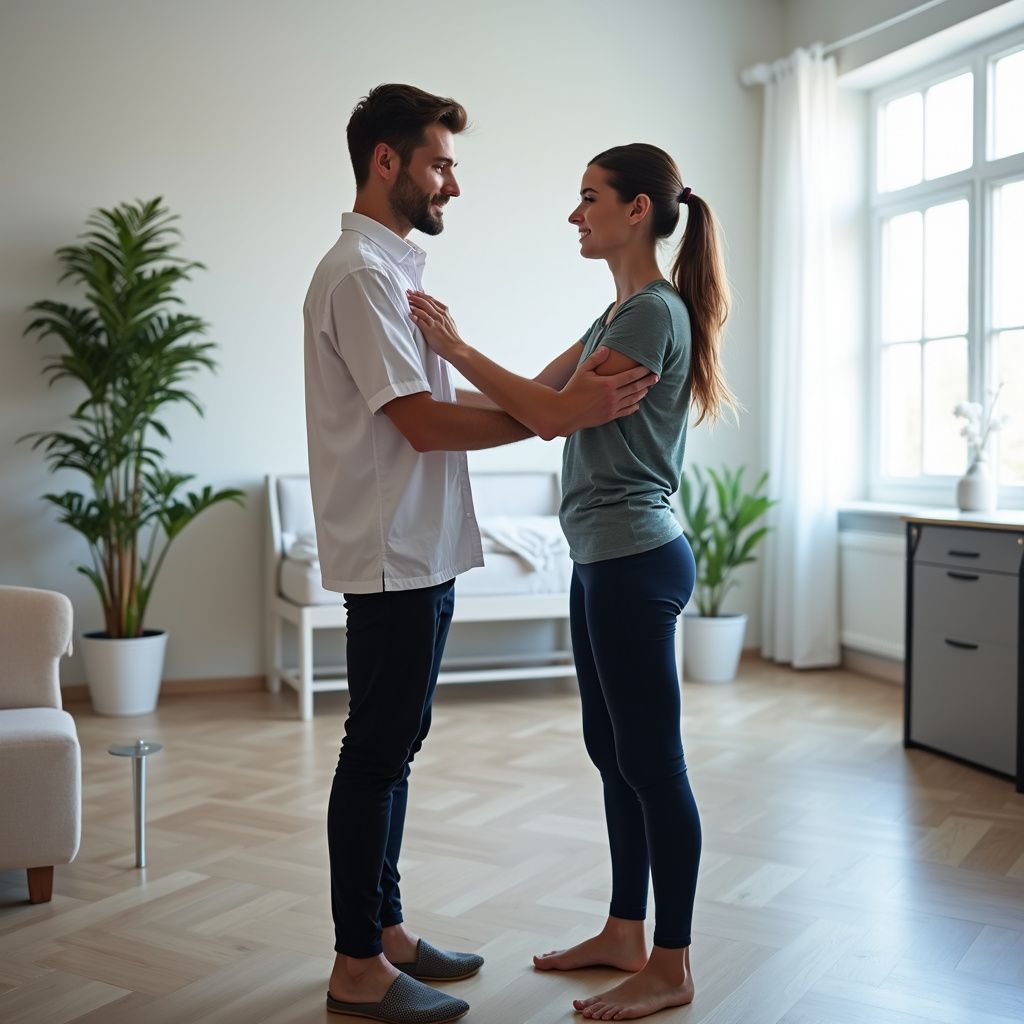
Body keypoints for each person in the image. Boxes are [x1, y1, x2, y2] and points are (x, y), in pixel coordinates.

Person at [303, 86, 660, 1024]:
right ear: (387, 161)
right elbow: (421, 426)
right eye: (440, 164)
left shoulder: (393, 272)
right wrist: (557, 418)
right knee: (374, 754)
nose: (452, 184)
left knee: (396, 748)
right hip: (393, 553)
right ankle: (355, 965)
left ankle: (384, 932)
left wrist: (555, 405)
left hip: (421, 550)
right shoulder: (359, 275)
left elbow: (481, 400)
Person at [408, 142, 736, 1021]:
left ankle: (671, 964)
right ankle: (626, 930)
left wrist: (455, 344)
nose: (574, 212)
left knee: (653, 764)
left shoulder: (650, 316)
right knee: (612, 752)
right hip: (604, 557)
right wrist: (439, 389)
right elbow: (534, 404)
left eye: (589, 197)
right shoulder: (612, 317)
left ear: (637, 210)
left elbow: (549, 416)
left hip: (636, 557)